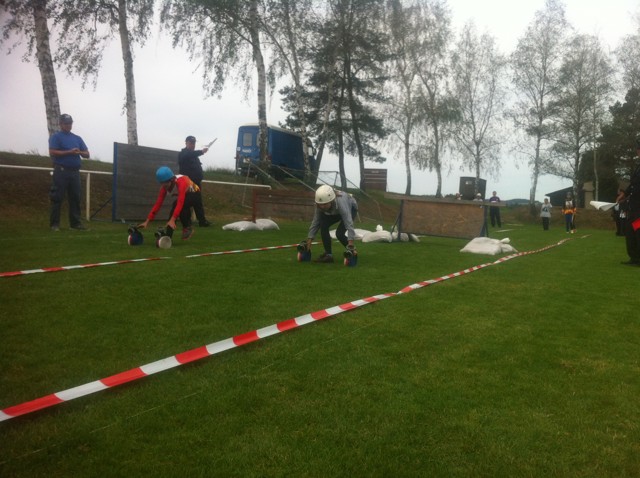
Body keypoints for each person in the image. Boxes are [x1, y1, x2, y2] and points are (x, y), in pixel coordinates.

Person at [48, 113, 90, 231]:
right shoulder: (56, 137)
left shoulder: (77, 138)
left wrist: (79, 152)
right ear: (61, 124)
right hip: (61, 171)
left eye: (70, 123)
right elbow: (52, 152)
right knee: (57, 197)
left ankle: (75, 224)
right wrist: (69, 152)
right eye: (66, 123)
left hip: (75, 172)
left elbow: (87, 154)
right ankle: (55, 224)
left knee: (75, 198)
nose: (68, 125)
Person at [137, 166, 199, 240]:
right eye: (161, 183)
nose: (164, 186)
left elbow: (180, 202)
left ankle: (187, 227)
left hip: (195, 194)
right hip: (185, 194)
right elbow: (158, 204)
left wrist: (173, 219)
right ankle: (168, 237)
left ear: (172, 180)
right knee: (175, 207)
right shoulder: (164, 188)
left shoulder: (181, 182)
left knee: (177, 205)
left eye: (165, 183)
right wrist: (147, 221)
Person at [305, 185, 358, 263]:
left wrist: (350, 245)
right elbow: (316, 222)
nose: (322, 207)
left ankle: (352, 251)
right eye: (320, 204)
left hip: (351, 208)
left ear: (331, 201)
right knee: (323, 225)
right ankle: (329, 255)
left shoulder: (341, 202)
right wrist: (309, 241)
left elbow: (349, 224)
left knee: (339, 234)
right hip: (335, 210)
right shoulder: (320, 205)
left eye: (325, 204)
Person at [178, 135, 211, 227]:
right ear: (186, 143)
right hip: (188, 183)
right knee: (188, 202)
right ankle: (188, 222)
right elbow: (189, 155)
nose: (193, 145)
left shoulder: (194, 156)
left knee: (198, 202)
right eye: (191, 143)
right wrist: (201, 151)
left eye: (194, 143)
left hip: (196, 182)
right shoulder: (183, 153)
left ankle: (202, 221)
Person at [616, 139, 640, 265]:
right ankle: (634, 258)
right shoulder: (638, 167)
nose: (638, 152)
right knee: (630, 231)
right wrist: (624, 194)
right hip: (634, 208)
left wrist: (628, 196)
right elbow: (633, 185)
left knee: (638, 231)